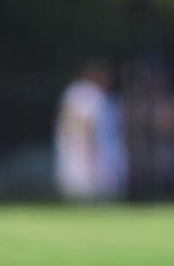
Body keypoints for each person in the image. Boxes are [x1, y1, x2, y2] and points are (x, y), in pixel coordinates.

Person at [54, 60, 129, 202]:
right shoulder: (84, 94)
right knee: (87, 197)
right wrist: (88, 153)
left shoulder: (99, 95)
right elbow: (79, 125)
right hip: (91, 157)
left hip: (100, 155)